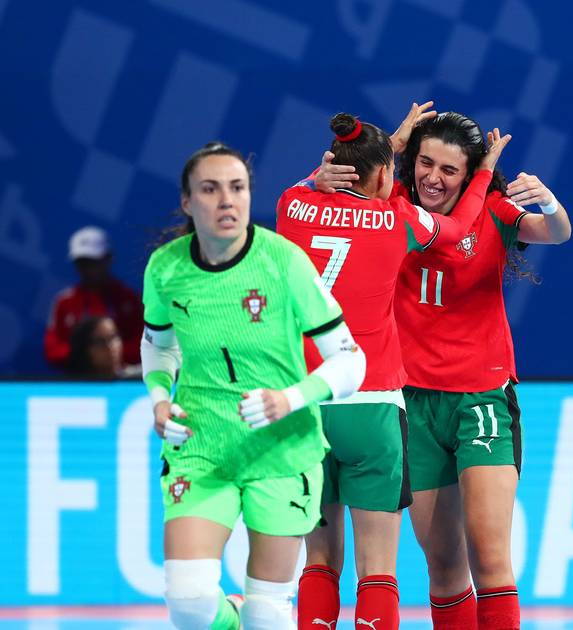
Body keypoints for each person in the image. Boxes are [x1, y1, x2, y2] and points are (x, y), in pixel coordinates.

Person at [315, 108, 571, 629]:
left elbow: (556, 231)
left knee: (490, 558)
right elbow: (332, 192)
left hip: (482, 400)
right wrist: (345, 165)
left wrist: (548, 199)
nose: (433, 177)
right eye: (425, 163)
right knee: (445, 567)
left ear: (470, 173)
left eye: (449, 170)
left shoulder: (493, 210)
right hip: (411, 403)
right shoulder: (389, 205)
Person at [279, 106, 509, 630]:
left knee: (318, 561)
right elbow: (460, 225)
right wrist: (482, 174)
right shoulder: (397, 220)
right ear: (387, 173)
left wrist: (335, 168)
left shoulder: (293, 205)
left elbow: (307, 185)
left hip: (309, 402)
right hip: (373, 406)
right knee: (377, 570)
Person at [141, 142, 366, 630]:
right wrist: (159, 399)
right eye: (210, 189)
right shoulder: (165, 269)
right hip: (201, 447)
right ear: (187, 202)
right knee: (189, 603)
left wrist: (290, 398)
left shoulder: (285, 262)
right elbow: (158, 347)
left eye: (237, 187)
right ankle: (232, 618)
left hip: (282, 451)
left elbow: (351, 360)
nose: (227, 200)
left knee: (267, 613)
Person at [45, 226, 142, 369]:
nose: (88, 269)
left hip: (122, 376)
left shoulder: (130, 299)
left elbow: (145, 343)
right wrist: (85, 355)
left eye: (94, 262)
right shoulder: (64, 302)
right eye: (82, 263)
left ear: (108, 258)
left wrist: (110, 355)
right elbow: (52, 349)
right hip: (78, 378)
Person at [64, 315, 137, 378]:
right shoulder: (71, 386)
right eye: (100, 341)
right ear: (85, 350)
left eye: (113, 337)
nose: (110, 346)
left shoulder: (138, 378)